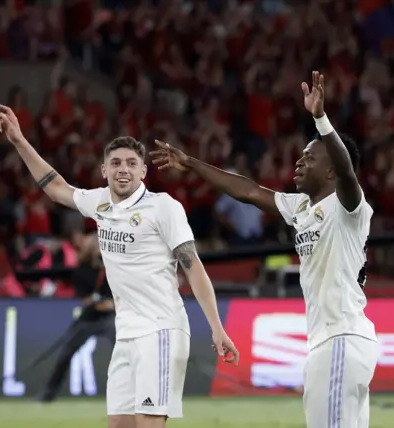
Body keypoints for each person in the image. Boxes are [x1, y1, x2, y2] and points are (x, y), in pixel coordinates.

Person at [151, 71, 378, 428]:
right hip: (331, 343)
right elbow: (249, 191)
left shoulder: (348, 207)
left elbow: (349, 172)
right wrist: (191, 163)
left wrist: (320, 119)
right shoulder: (301, 208)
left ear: (332, 170)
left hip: (341, 340)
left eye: (310, 157)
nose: (299, 162)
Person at [0, 105, 239, 428]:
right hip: (126, 335)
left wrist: (217, 328)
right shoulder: (100, 204)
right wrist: (19, 140)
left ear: (143, 172)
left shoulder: (163, 207)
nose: (123, 169)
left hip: (161, 331)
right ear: (104, 171)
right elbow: (55, 189)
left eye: (132, 163)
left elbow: (194, 269)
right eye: (116, 163)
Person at [38, 230, 116, 403]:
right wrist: (102, 303)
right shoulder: (82, 270)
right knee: (66, 353)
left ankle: (130, 392)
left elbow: (120, 297)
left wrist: (110, 304)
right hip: (88, 318)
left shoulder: (115, 268)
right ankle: (48, 394)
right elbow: (85, 299)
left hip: (110, 317)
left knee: (123, 349)